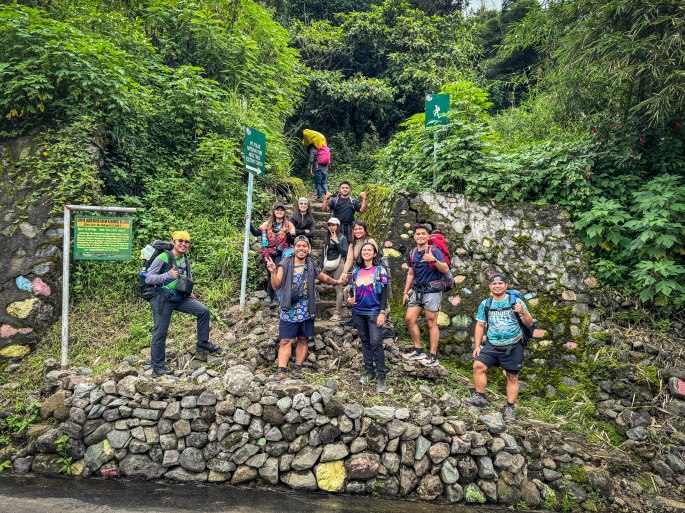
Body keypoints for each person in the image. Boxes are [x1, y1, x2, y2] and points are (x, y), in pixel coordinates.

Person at [265, 235, 345, 380]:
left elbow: (323, 277)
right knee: (285, 340)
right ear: (294, 248)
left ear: (308, 249)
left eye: (304, 246)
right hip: (289, 308)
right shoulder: (284, 264)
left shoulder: (311, 264)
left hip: (307, 309)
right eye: (298, 246)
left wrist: (337, 282)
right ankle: (281, 371)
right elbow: (276, 285)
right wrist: (273, 272)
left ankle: (298, 368)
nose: (301, 249)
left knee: (303, 339)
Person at [145, 231, 219, 377]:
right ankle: (158, 368)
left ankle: (202, 343)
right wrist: (167, 275)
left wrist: (188, 292)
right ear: (173, 242)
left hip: (179, 296)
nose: (183, 244)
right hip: (162, 298)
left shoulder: (185, 259)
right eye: (180, 241)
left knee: (203, 311)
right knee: (160, 332)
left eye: (186, 242)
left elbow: (184, 278)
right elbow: (148, 278)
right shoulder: (163, 257)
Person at [467, 273, 534, 422]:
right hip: (492, 344)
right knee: (478, 366)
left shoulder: (516, 302)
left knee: (512, 376)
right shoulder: (486, 304)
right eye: (494, 284)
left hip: (513, 344)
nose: (497, 286)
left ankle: (509, 408)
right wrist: (477, 346)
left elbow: (530, 323)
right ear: (490, 286)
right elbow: (480, 325)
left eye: (500, 283)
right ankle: (480, 397)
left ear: (506, 285)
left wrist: (523, 312)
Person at [401, 224, 450, 368]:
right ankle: (418, 351)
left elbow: (445, 268)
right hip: (417, 291)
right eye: (418, 234)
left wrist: (433, 260)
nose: (420, 236)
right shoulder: (412, 253)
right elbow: (411, 273)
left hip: (432, 291)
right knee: (410, 319)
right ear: (414, 236)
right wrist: (405, 292)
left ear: (428, 236)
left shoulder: (434, 250)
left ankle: (433, 356)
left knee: (431, 322)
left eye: (423, 234)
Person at [347, 242, 389, 392]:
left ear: (374, 253)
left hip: (374, 312)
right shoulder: (356, 271)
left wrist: (382, 312)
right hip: (358, 311)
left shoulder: (380, 270)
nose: (366, 252)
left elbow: (384, 293)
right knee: (365, 342)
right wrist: (350, 298)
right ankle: (369, 372)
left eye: (369, 250)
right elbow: (351, 289)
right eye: (364, 250)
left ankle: (382, 377)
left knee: (376, 343)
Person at [248, 203, 296, 304]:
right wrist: (248, 222)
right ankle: (272, 299)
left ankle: (280, 297)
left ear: (284, 212)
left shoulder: (289, 225)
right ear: (274, 212)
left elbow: (292, 241)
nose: (279, 212)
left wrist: (287, 233)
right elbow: (256, 233)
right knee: (270, 274)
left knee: (278, 273)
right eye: (277, 210)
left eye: (281, 210)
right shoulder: (267, 224)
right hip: (268, 252)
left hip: (282, 252)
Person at [339, 220, 378, 326]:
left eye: (360, 228)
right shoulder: (353, 245)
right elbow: (349, 260)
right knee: (350, 291)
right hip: (358, 273)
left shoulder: (370, 241)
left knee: (366, 295)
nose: (358, 231)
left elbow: (376, 257)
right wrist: (344, 273)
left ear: (365, 230)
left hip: (370, 272)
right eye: (355, 229)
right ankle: (354, 317)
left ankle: (371, 317)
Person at [321, 217, 348, 321]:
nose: (331, 227)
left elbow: (345, 253)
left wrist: (337, 243)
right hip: (328, 263)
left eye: (333, 225)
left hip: (338, 263)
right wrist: (321, 266)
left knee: (338, 288)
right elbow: (323, 253)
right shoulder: (326, 238)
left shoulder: (342, 238)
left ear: (337, 226)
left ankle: (337, 313)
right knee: (316, 281)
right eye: (329, 225)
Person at [303, 129, 329, 200]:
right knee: (323, 183)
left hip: (318, 168)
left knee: (318, 183)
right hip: (325, 168)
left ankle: (319, 197)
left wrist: (311, 169)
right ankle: (327, 194)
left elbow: (311, 159)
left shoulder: (314, 149)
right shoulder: (323, 149)